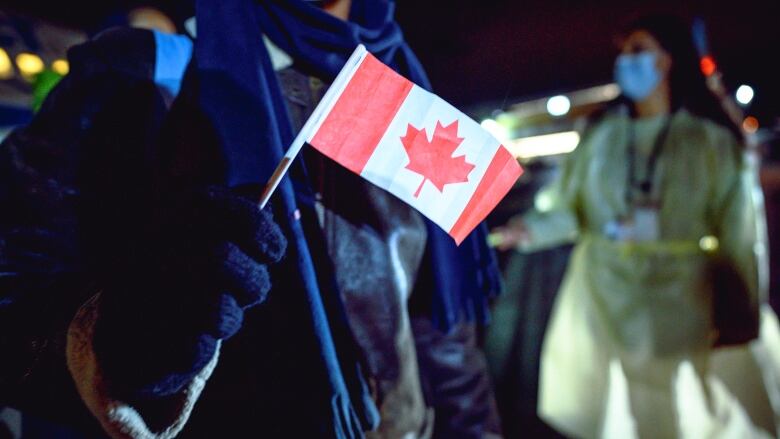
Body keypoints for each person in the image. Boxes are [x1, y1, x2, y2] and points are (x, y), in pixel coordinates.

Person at [0, 0, 503, 437]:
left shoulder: (409, 97)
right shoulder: (140, 70)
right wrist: (122, 348)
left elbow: (439, 332)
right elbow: (13, 301)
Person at [492, 14, 780, 438]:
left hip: (683, 302)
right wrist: (530, 230)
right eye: (623, 52)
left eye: (639, 50)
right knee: (621, 409)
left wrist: (741, 311)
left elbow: (739, 234)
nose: (626, 61)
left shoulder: (711, 141)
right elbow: (573, 207)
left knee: (683, 411)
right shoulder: (601, 136)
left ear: (669, 60)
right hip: (607, 297)